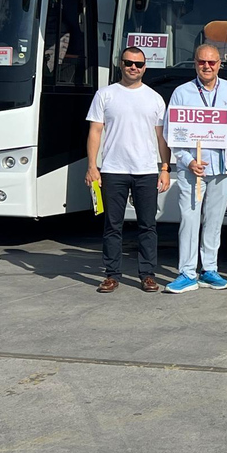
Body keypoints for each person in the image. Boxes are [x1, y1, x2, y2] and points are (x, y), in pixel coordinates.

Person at [85, 47, 170, 293]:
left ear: (145, 67)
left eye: (139, 64)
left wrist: (165, 168)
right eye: (129, 63)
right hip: (113, 169)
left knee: (148, 225)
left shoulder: (154, 98)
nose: (134, 67)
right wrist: (92, 166)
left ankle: (148, 275)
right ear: (120, 64)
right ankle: (112, 275)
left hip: (146, 169)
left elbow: (161, 137)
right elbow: (95, 132)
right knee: (113, 225)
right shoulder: (105, 95)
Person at [164, 44, 227, 293]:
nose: (207, 67)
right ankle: (187, 273)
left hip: (223, 170)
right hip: (193, 169)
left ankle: (209, 269)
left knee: (214, 221)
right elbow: (172, 134)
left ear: (220, 63)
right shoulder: (182, 93)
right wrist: (188, 161)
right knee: (189, 220)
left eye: (212, 62)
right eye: (202, 62)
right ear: (195, 63)